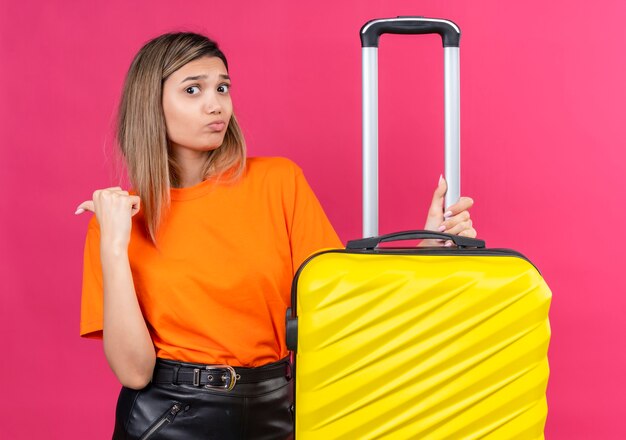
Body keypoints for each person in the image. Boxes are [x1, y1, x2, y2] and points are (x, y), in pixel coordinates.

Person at [75, 32, 476, 440]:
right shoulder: (120, 218)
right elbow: (134, 370)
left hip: (273, 412)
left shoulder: (278, 182)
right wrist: (113, 244)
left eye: (222, 87)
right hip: (166, 420)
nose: (215, 104)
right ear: (151, 105)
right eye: (192, 89)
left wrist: (425, 250)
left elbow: (344, 304)